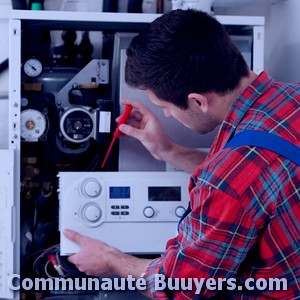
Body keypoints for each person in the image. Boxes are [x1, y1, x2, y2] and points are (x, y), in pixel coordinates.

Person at [63, 9, 300, 299]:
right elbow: (257, 181)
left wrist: (111, 259)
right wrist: (168, 150)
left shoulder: (226, 182)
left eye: (167, 107)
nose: (166, 115)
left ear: (198, 102)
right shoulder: (292, 98)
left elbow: (179, 288)